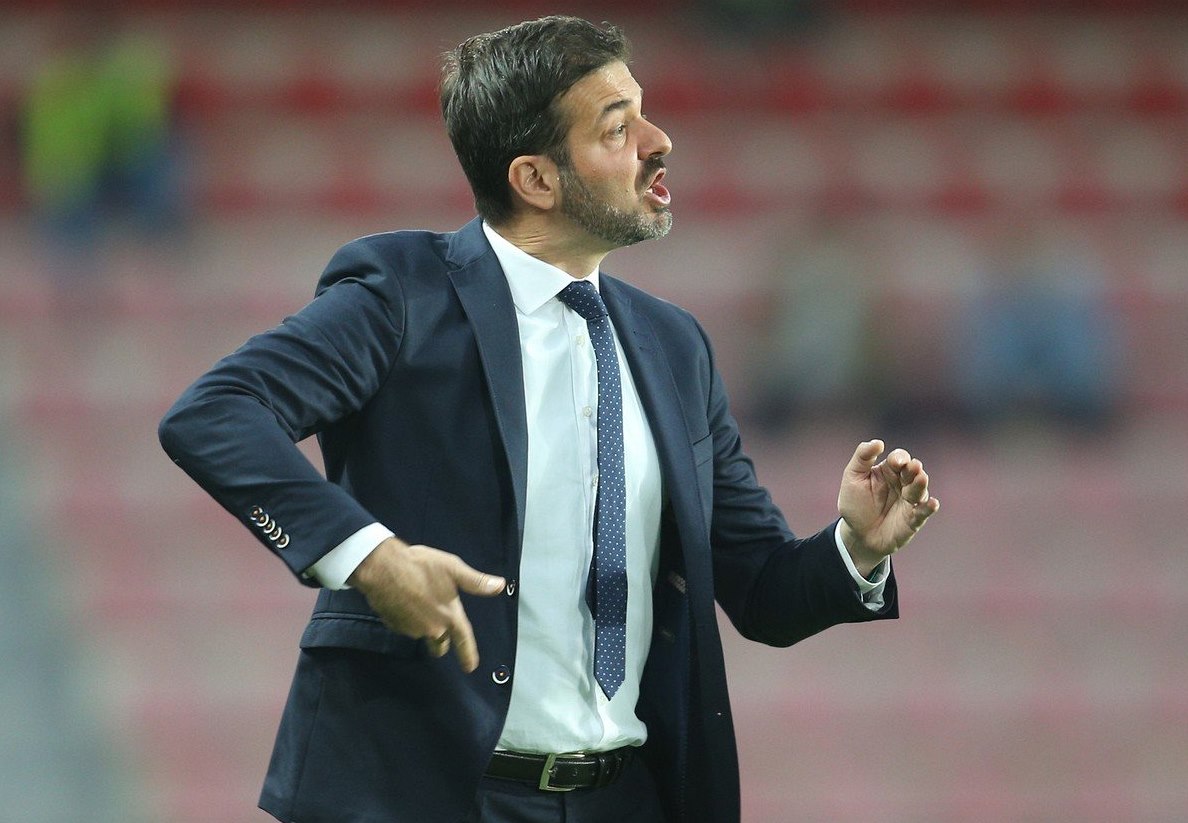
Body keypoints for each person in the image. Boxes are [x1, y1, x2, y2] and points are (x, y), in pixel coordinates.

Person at [158, 16, 939, 823]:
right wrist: (370, 557)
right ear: (535, 178)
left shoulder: (676, 346)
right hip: (424, 797)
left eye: (643, 113)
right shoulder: (402, 294)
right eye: (618, 128)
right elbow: (216, 413)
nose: (659, 140)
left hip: (623, 802)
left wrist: (856, 548)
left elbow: (762, 590)